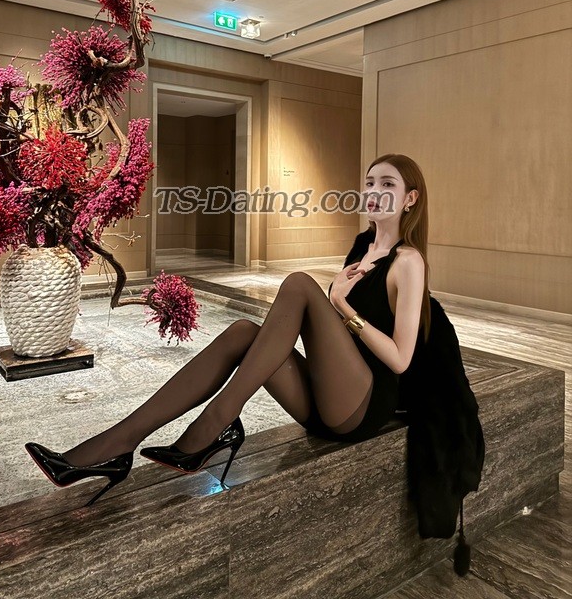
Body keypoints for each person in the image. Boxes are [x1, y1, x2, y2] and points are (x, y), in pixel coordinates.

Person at [26, 153, 429, 506]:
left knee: (299, 284)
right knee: (242, 331)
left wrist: (340, 304)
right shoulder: (361, 248)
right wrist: (337, 310)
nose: (374, 191)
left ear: (410, 199)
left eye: (388, 184)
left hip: (361, 407)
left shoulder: (408, 261)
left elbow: (400, 360)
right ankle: (119, 442)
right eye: (370, 183)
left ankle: (218, 418)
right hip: (325, 402)